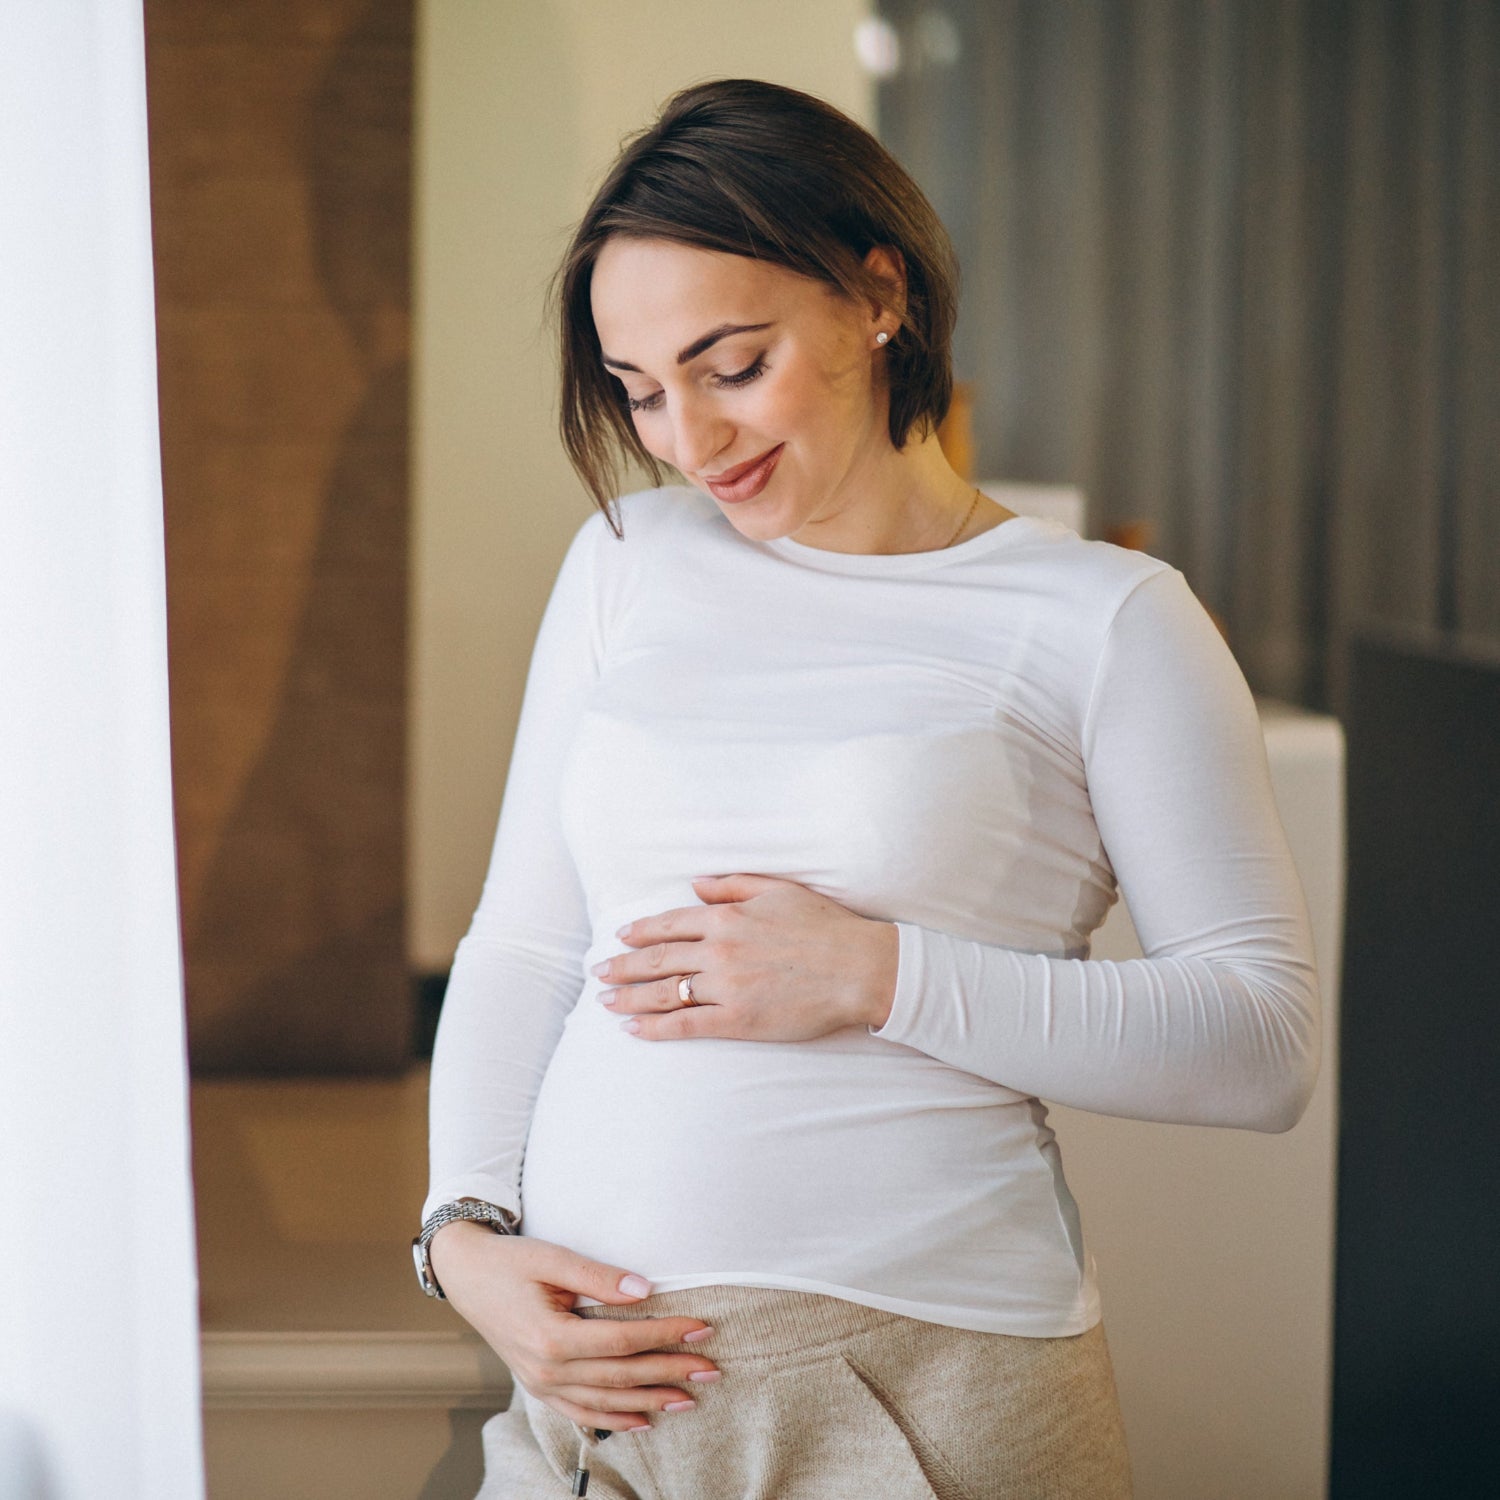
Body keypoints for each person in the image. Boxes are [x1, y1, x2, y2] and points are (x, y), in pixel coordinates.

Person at [412, 78, 1321, 1499]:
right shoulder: (626, 562)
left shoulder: (1106, 618)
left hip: (922, 1393)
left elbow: (1260, 1041)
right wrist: (463, 1234)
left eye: (732, 366)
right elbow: (528, 944)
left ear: (877, 294)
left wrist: (873, 975)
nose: (689, 441)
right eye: (641, 392)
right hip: (586, 1403)